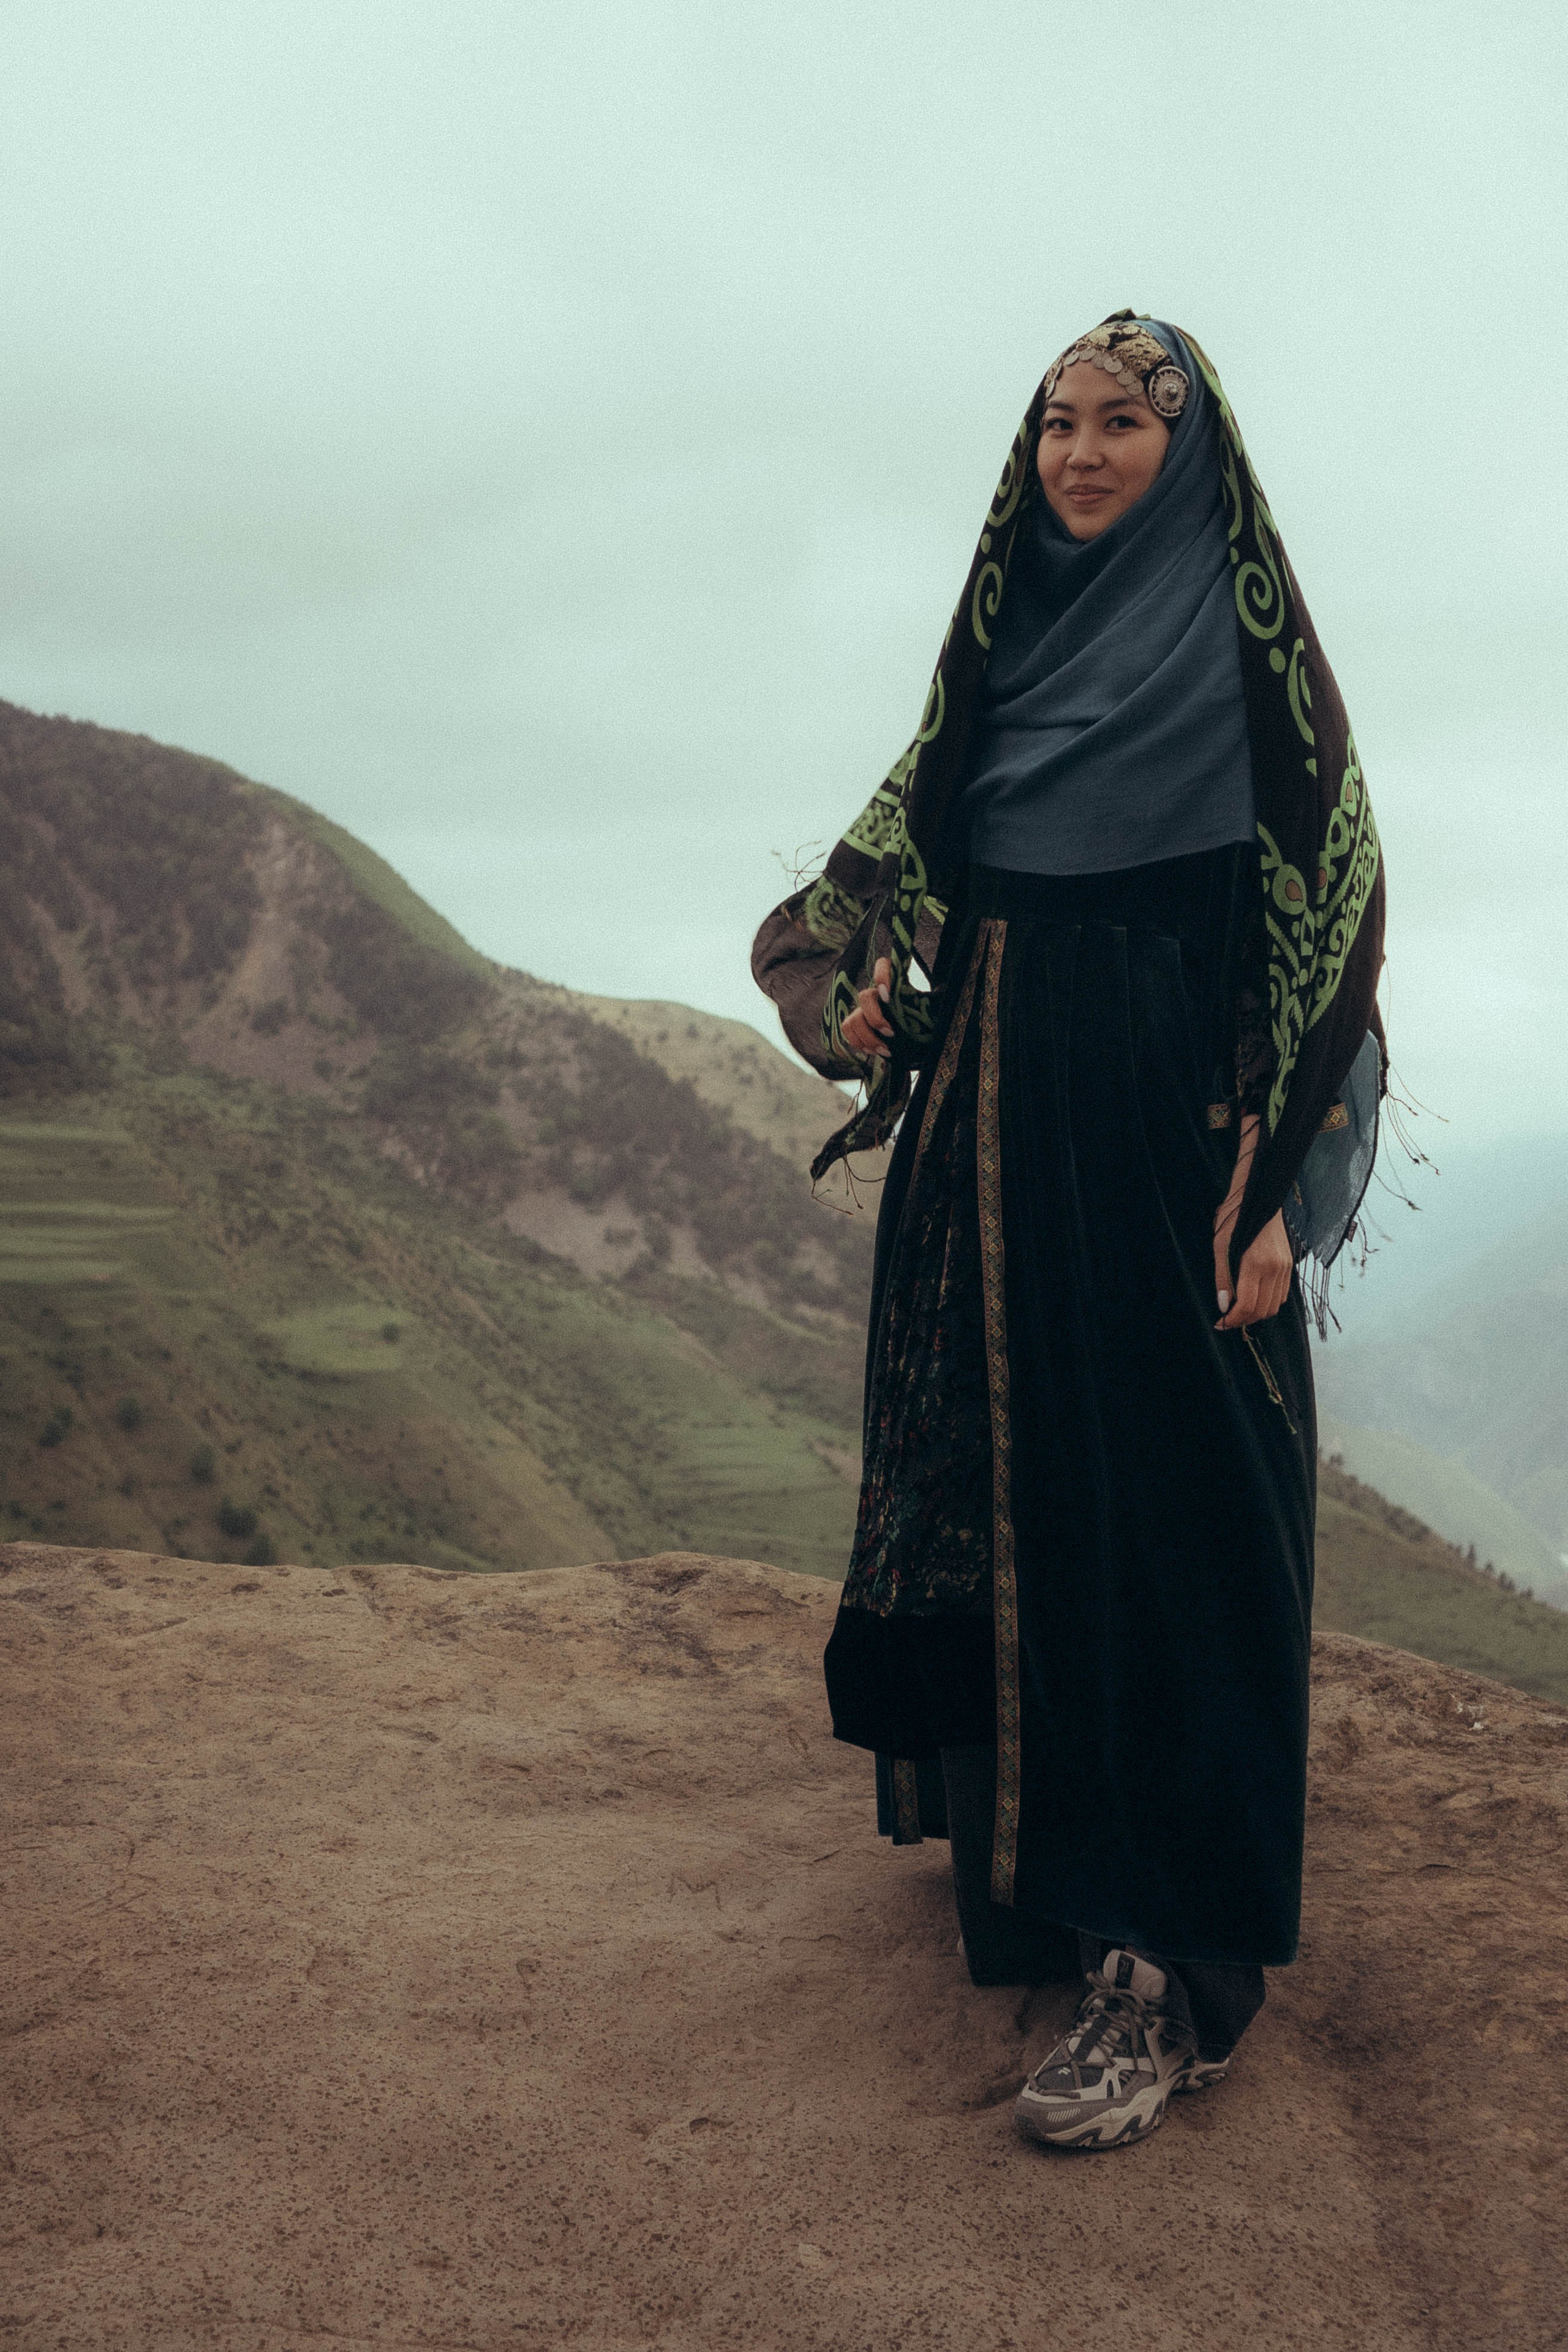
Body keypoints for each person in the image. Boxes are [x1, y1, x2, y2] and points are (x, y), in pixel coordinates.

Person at [752, 313, 1386, 2152]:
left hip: (1179, 1180)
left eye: (1124, 423)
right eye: (1057, 424)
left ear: (1193, 459)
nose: (1083, 454)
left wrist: (1282, 1201)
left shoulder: (1254, 690)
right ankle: (1048, 1896)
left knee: (1184, 1537)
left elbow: (1331, 966)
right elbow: (837, 922)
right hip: (992, 1174)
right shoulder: (1001, 659)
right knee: (1029, 1518)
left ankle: (1174, 1976)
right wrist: (857, 1004)